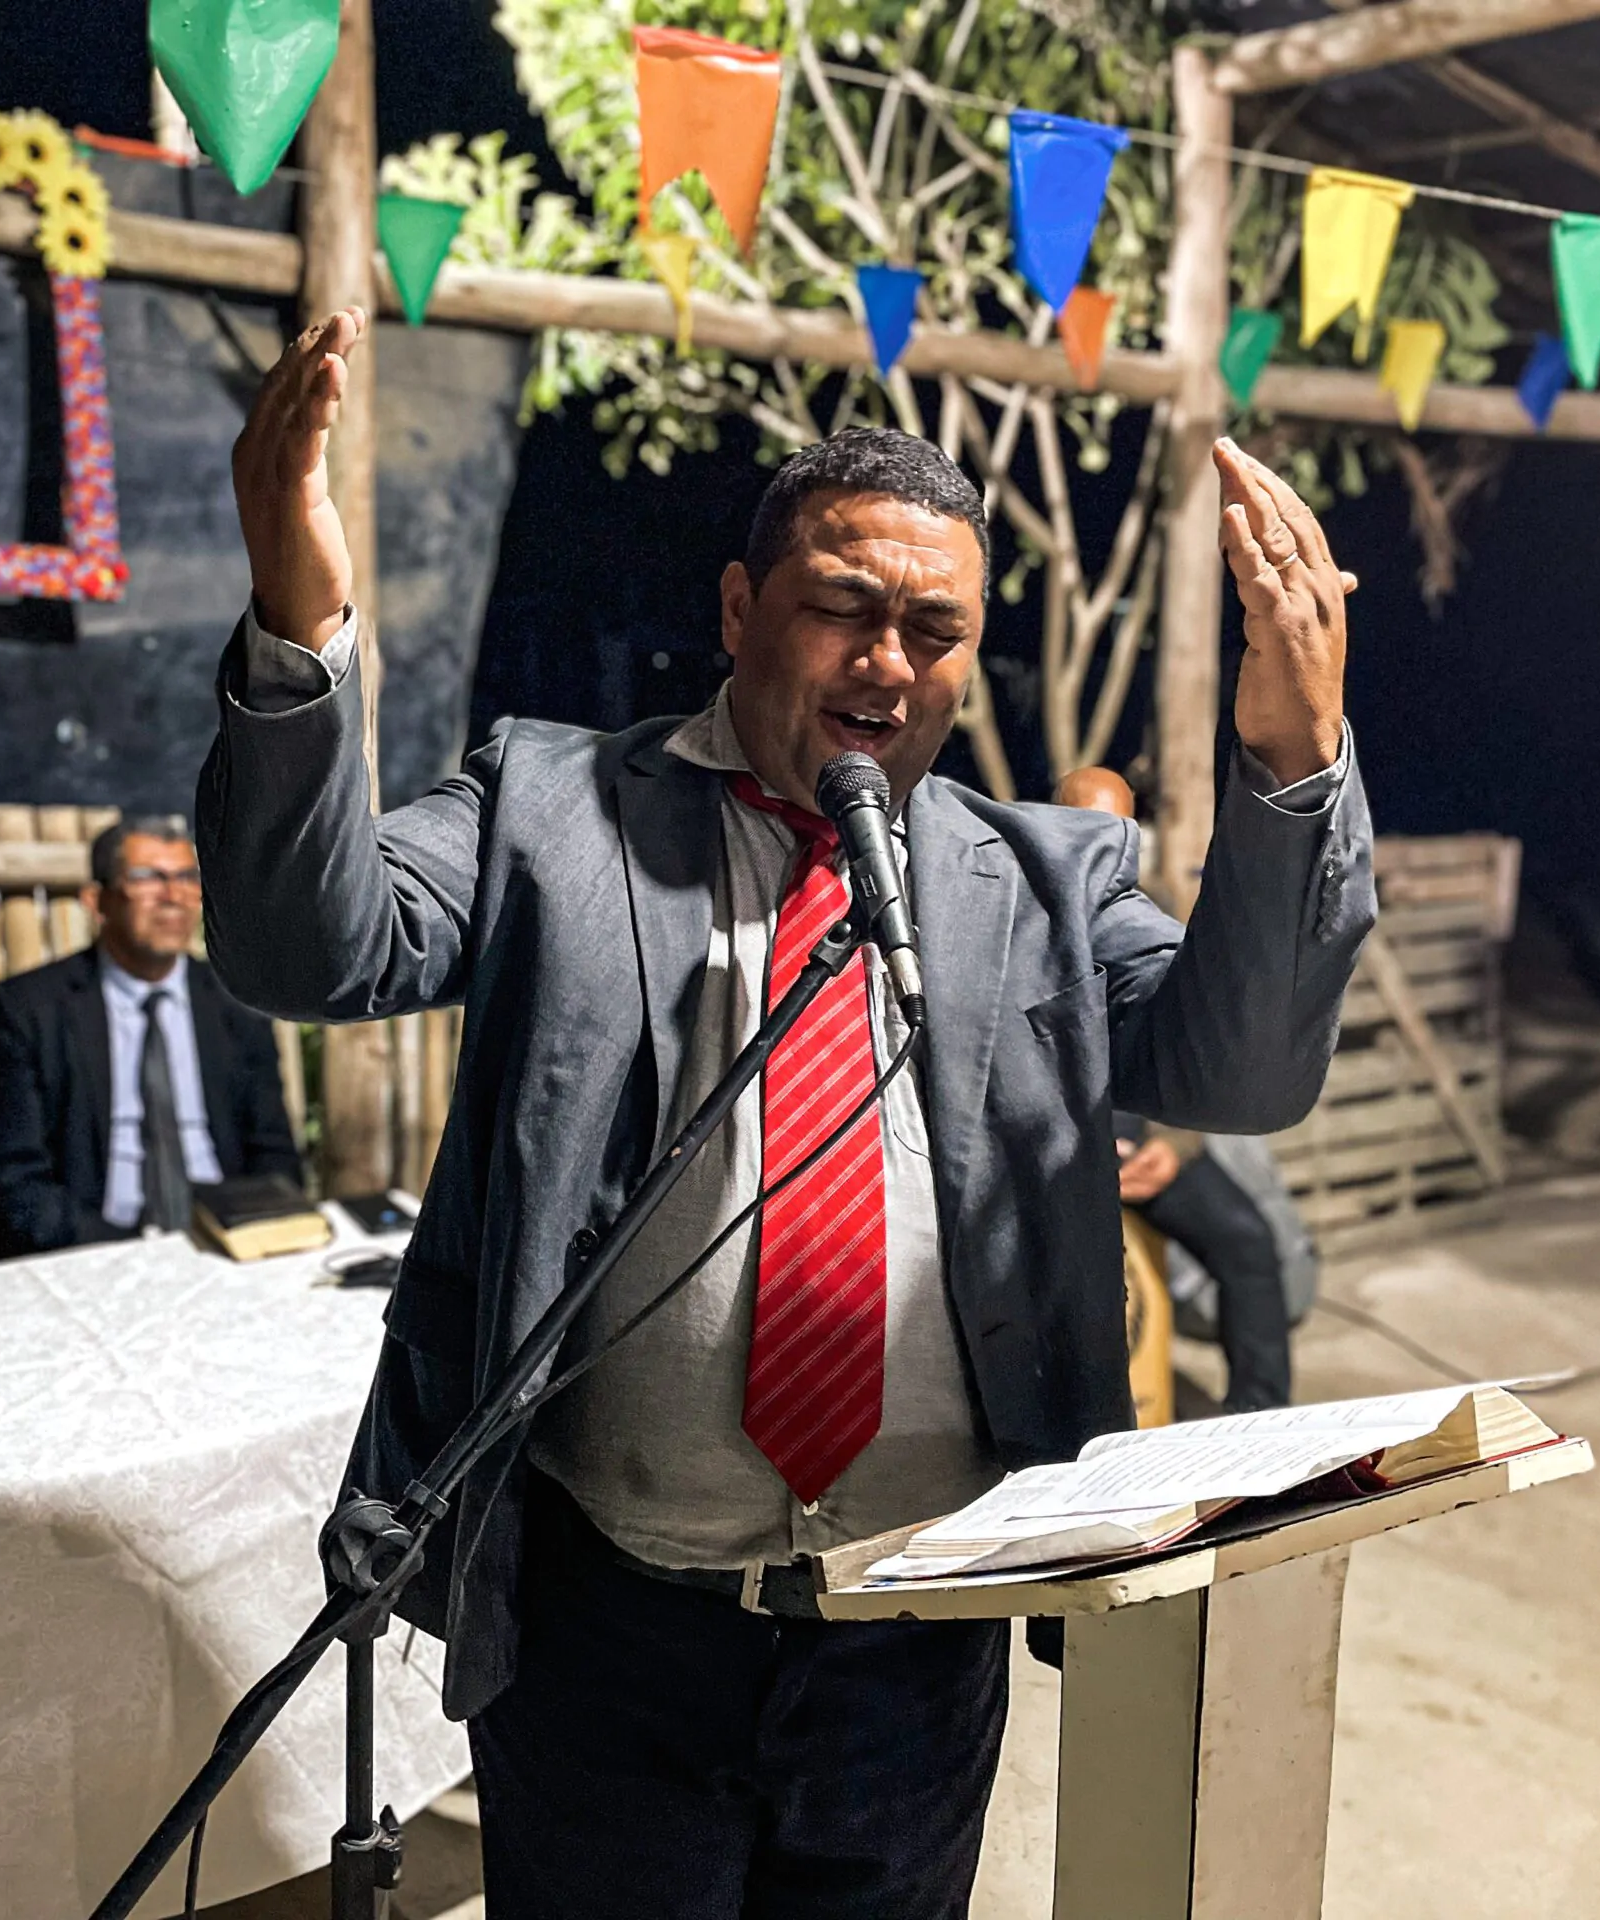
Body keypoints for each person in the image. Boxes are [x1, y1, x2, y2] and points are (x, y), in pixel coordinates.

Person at [199, 306, 1376, 1918]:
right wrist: (298, 630)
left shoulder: (1045, 878)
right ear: (742, 608)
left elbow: (1241, 1073)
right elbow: (306, 951)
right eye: (843, 608)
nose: (889, 660)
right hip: (612, 1626)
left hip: (918, 1629)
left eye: (935, 628)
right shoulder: (551, 809)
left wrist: (1298, 754)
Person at [1054, 765, 1317, 1414]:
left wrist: (1173, 1146)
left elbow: (1180, 1040)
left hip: (1139, 1139)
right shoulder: (1018, 916)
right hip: (1057, 1149)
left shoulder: (1143, 918)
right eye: (1083, 829)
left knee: (1249, 1241)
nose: (1102, 847)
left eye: (1116, 831)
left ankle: (1259, 1418)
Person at [0, 814, 303, 1257]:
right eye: (147, 878)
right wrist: (126, 1253)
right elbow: (8, 1174)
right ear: (97, 901)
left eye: (187, 878)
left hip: (224, 1241)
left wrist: (252, 1231)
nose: (172, 896)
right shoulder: (30, 1009)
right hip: (89, 1247)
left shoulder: (235, 1004)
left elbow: (273, 1151)